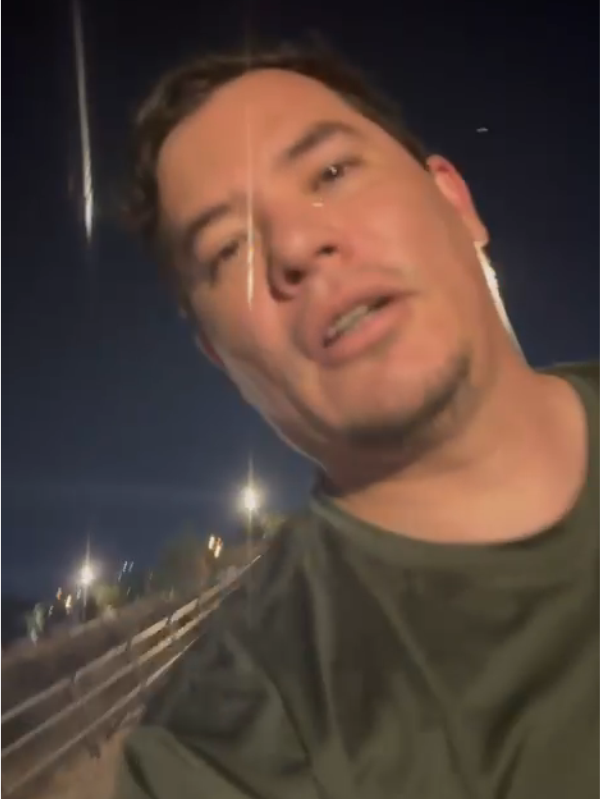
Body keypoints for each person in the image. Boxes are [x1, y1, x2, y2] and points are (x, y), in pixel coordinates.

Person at [113, 41, 600, 799]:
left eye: (332, 173)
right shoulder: (225, 748)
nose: (297, 246)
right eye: (229, 247)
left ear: (454, 199)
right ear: (219, 356)